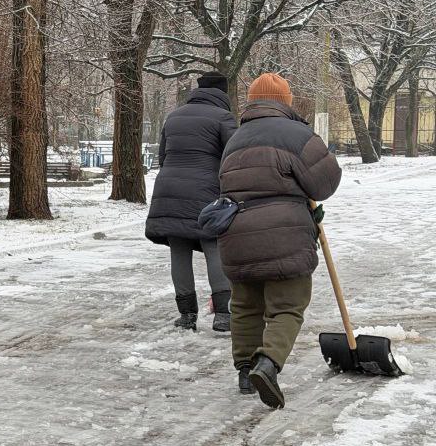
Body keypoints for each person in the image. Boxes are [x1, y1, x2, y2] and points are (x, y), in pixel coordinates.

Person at [218, 73, 342, 408]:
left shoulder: (235, 138)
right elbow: (325, 185)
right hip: (285, 234)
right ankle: (267, 364)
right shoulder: (298, 134)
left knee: (245, 305)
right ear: (285, 101)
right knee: (287, 306)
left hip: (236, 233)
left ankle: (245, 372)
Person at [144, 71, 237, 331]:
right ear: (223, 93)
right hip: (206, 189)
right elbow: (233, 157)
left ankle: (187, 315)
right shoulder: (224, 117)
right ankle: (223, 314)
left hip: (169, 187)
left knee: (179, 249)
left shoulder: (173, 116)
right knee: (213, 246)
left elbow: (163, 156)